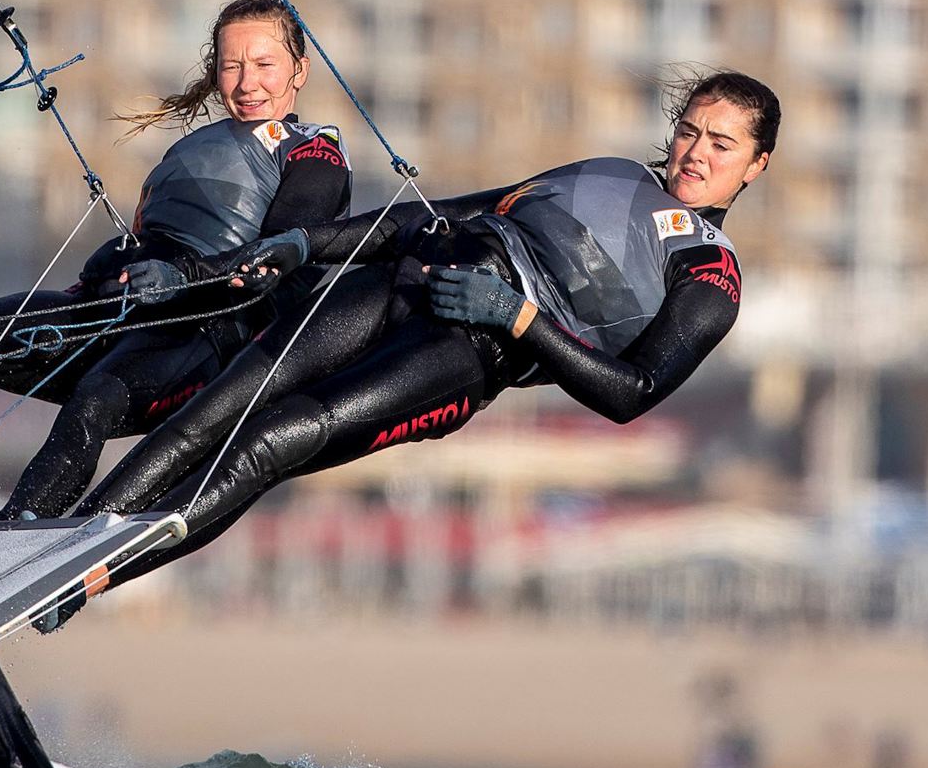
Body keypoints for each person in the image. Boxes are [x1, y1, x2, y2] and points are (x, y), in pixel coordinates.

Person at [63, 70, 778, 590]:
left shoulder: (711, 273)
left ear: (756, 164)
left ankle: (95, 573)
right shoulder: (612, 172)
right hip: (412, 279)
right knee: (227, 398)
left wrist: (516, 316)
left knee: (271, 438)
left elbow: (633, 392)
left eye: (721, 143)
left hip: (468, 351)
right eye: (689, 130)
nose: (695, 153)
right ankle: (72, 536)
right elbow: (441, 215)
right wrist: (309, 243)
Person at [0, 0, 352, 517]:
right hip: (125, 318)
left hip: (210, 339)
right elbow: (158, 241)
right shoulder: (193, 148)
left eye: (265, 65)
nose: (247, 84)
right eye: (231, 66)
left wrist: (180, 277)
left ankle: (16, 531)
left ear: (300, 71)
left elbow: (274, 262)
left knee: (97, 397)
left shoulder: (315, 153)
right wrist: (114, 265)